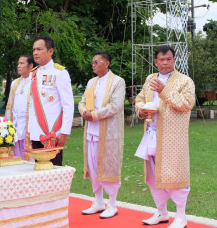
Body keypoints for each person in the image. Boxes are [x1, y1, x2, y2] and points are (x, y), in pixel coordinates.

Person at [135, 45, 195, 228]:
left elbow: (187, 104)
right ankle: (161, 212)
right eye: (161, 59)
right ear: (156, 62)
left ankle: (181, 216)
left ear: (174, 60)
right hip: (151, 133)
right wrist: (140, 111)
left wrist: (164, 90)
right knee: (153, 176)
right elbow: (140, 98)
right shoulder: (150, 79)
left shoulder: (184, 81)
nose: (165, 62)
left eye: (169, 59)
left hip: (172, 137)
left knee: (175, 174)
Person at [78, 51, 125, 219]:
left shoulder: (118, 82)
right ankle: (98, 201)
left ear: (107, 63)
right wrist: (84, 111)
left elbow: (115, 106)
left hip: (108, 133)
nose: (93, 65)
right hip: (91, 131)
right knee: (92, 165)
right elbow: (83, 101)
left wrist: (95, 115)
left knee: (108, 166)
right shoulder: (92, 81)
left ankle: (112, 204)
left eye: (97, 62)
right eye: (92, 62)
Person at [28, 36, 74, 166]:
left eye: (39, 49)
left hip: (52, 133)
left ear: (50, 51)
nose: (35, 53)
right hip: (37, 132)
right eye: (34, 49)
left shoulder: (60, 73)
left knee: (54, 172)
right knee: (38, 172)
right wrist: (31, 130)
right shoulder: (34, 73)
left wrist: (64, 132)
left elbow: (68, 105)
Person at [5, 55, 35, 160]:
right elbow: (9, 106)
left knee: (29, 156)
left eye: (22, 63)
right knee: (15, 154)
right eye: (18, 63)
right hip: (15, 124)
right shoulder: (15, 83)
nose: (18, 66)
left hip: (29, 125)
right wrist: (7, 125)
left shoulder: (36, 82)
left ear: (30, 65)